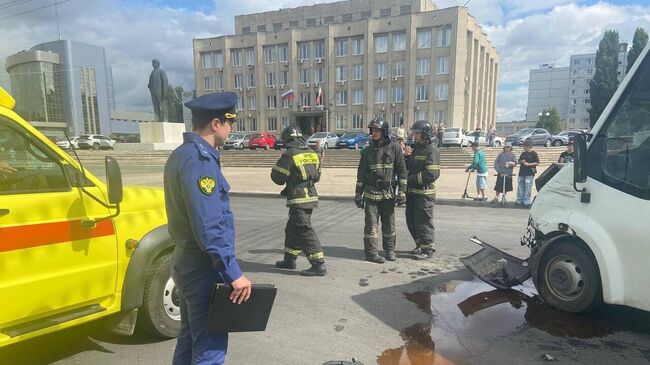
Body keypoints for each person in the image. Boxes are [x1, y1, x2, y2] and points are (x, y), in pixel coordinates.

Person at [164, 91, 252, 365]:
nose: (232, 127)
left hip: (186, 262)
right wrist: (233, 272)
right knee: (210, 349)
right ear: (215, 123)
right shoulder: (199, 161)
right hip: (202, 267)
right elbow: (209, 225)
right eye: (230, 122)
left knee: (191, 339)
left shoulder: (183, 155)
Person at [272, 125, 327, 276]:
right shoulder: (312, 152)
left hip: (299, 197)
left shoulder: (290, 154)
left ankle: (318, 264)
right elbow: (317, 177)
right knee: (292, 228)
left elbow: (277, 178)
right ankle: (289, 260)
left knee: (303, 228)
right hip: (310, 194)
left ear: (287, 140)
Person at [355, 117, 407, 263]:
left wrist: (402, 191)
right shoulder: (367, 150)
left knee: (389, 224)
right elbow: (361, 174)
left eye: (377, 130)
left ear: (384, 131)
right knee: (371, 225)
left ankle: (389, 250)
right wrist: (358, 194)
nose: (374, 133)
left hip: (388, 194)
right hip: (371, 194)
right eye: (372, 130)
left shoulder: (395, 147)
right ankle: (371, 253)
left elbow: (402, 171)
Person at [405, 121, 440, 260]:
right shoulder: (418, 148)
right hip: (413, 192)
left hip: (424, 194)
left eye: (417, 133)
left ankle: (427, 249)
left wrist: (411, 179)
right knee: (411, 220)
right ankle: (419, 245)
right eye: (414, 132)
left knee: (424, 222)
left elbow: (432, 174)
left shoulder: (431, 150)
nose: (414, 135)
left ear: (425, 134)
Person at [517, 140, 540, 207]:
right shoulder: (523, 153)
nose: (524, 148)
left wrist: (528, 164)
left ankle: (526, 200)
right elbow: (519, 161)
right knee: (520, 186)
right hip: (522, 172)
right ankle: (519, 199)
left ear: (529, 146)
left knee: (528, 186)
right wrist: (522, 161)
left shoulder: (534, 153)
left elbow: (537, 162)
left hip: (529, 172)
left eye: (525, 146)